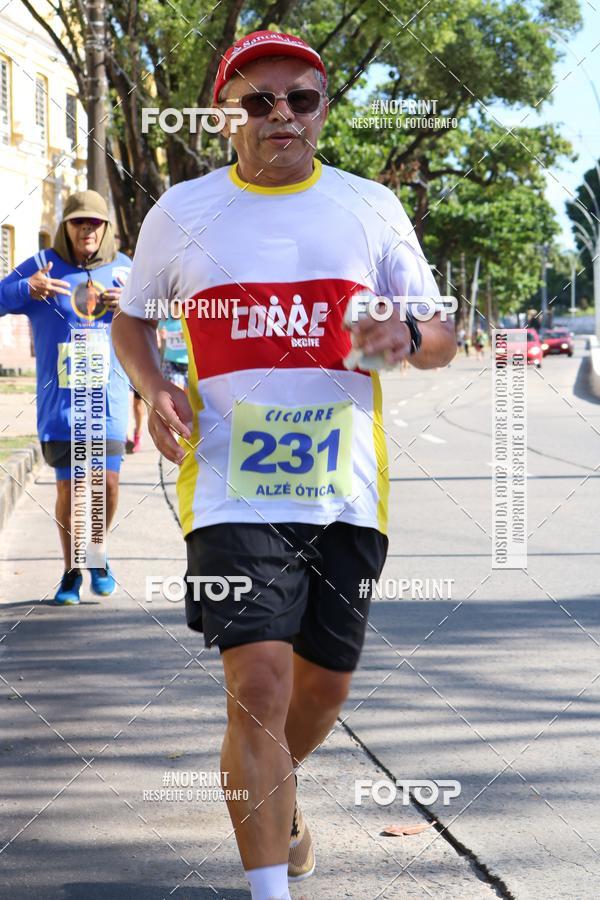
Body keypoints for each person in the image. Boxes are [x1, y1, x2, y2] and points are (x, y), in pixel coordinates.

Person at [112, 30, 456, 899]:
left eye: (300, 99)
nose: (281, 117)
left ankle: (276, 796)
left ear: (322, 110)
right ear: (229, 113)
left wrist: (405, 336)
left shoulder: (369, 207)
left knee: (321, 693)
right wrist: (154, 387)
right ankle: (270, 887)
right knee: (257, 683)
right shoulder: (181, 213)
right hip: (229, 482)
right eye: (259, 102)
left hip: (347, 492)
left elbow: (441, 335)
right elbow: (132, 318)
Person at [0, 191, 131, 605]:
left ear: (106, 227)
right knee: (73, 489)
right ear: (66, 226)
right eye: (78, 222)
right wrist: (26, 288)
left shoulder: (126, 269)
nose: (86, 229)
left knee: (106, 485)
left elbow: (164, 310)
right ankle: (72, 570)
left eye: (94, 222)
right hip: (61, 403)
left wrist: (132, 302)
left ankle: (97, 552)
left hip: (107, 399)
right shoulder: (42, 265)